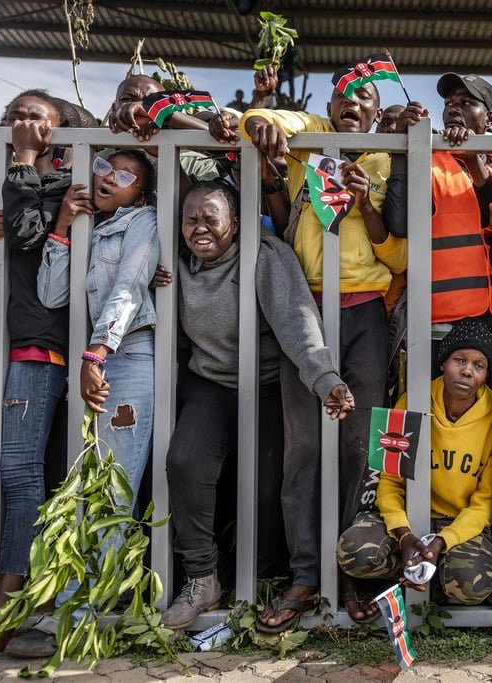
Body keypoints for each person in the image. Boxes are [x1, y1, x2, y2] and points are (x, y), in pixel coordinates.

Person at [236, 71, 407, 627]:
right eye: (345, 94)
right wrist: (262, 123)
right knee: (302, 447)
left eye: (366, 97)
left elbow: (404, 258)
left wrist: (366, 205)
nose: (353, 102)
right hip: (304, 310)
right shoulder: (308, 135)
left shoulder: (390, 156)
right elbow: (261, 122)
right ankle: (306, 575)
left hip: (365, 311)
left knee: (360, 446)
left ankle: (351, 571)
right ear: (329, 104)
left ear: (379, 114)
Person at [160, 182, 354, 631]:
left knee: (267, 490)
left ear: (236, 222)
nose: (199, 228)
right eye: (191, 218)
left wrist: (324, 378)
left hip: (267, 383)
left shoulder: (265, 256)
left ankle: (262, 578)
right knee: (186, 462)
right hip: (209, 381)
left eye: (210, 217)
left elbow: (298, 323)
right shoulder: (174, 259)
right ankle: (201, 577)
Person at [10, 149, 161, 657]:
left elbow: (130, 286)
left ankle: (82, 618)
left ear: (139, 191)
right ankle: (81, 610)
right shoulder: (87, 224)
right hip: (95, 360)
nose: (107, 180)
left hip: (127, 357)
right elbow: (53, 295)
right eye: (103, 168)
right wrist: (62, 227)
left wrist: (96, 351)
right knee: (84, 491)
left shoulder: (145, 220)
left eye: (124, 177)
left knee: (114, 490)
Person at [337, 321, 492, 613]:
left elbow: (485, 503)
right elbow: (389, 481)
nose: (467, 371)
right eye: (460, 360)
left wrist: (444, 541)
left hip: (456, 525)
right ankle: (406, 570)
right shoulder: (410, 402)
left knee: (472, 586)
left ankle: (434, 572)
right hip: (407, 518)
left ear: (486, 375)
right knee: (353, 551)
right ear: (443, 363)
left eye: (479, 365)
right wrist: (403, 534)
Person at [0, 90, 71, 658]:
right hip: (5, 346)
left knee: (19, 473)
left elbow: (23, 235)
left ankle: (8, 606)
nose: (21, 124)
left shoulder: (60, 183)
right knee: (24, 474)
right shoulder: (7, 175)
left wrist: (21, 163)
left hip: (37, 346)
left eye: (33, 116)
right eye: (13, 115)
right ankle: (30, 602)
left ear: (57, 130)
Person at [390, 73, 492, 334]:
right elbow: (398, 222)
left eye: (465, 103)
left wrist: (474, 160)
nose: (452, 108)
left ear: (489, 120)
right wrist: (403, 146)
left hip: (489, 316)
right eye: (449, 103)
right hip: (435, 319)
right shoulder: (429, 160)